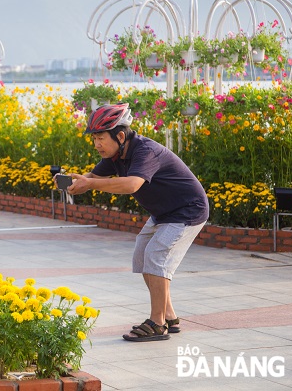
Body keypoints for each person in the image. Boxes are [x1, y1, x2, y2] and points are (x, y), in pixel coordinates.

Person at [60, 103, 208, 342]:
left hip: (187, 211)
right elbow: (94, 177)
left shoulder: (144, 151)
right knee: (142, 255)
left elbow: (131, 185)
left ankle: (157, 323)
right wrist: (75, 183)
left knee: (156, 256)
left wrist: (91, 184)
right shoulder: (115, 154)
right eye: (94, 139)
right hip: (163, 213)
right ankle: (169, 315)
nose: (96, 144)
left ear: (120, 135)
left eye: (100, 138)